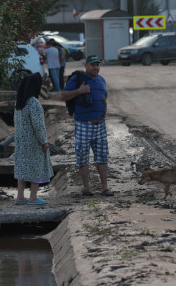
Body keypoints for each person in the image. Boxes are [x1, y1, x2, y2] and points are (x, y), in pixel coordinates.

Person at [61, 54, 114, 197]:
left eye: (97, 65)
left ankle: (105, 188)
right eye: (93, 65)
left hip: (100, 125)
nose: (96, 67)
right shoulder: (78, 79)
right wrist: (79, 91)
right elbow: (63, 95)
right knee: (83, 157)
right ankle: (86, 188)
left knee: (102, 157)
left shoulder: (101, 80)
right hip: (83, 124)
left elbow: (104, 96)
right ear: (86, 65)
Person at [14, 73, 53, 205]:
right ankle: (33, 197)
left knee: (22, 168)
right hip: (33, 142)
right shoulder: (33, 103)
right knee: (35, 168)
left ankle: (20, 197)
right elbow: (38, 125)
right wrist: (44, 141)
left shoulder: (19, 103)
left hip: (20, 141)